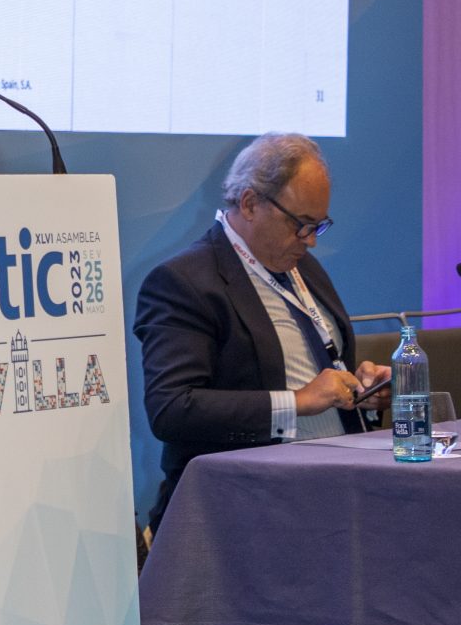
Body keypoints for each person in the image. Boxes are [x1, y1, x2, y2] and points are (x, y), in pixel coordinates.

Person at [132, 133, 389, 523]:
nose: (310, 241)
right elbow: (172, 408)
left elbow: (312, 366)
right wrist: (297, 402)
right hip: (248, 507)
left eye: (318, 226)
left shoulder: (303, 266)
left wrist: (359, 389)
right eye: (301, 224)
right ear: (250, 203)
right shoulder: (184, 282)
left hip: (341, 492)